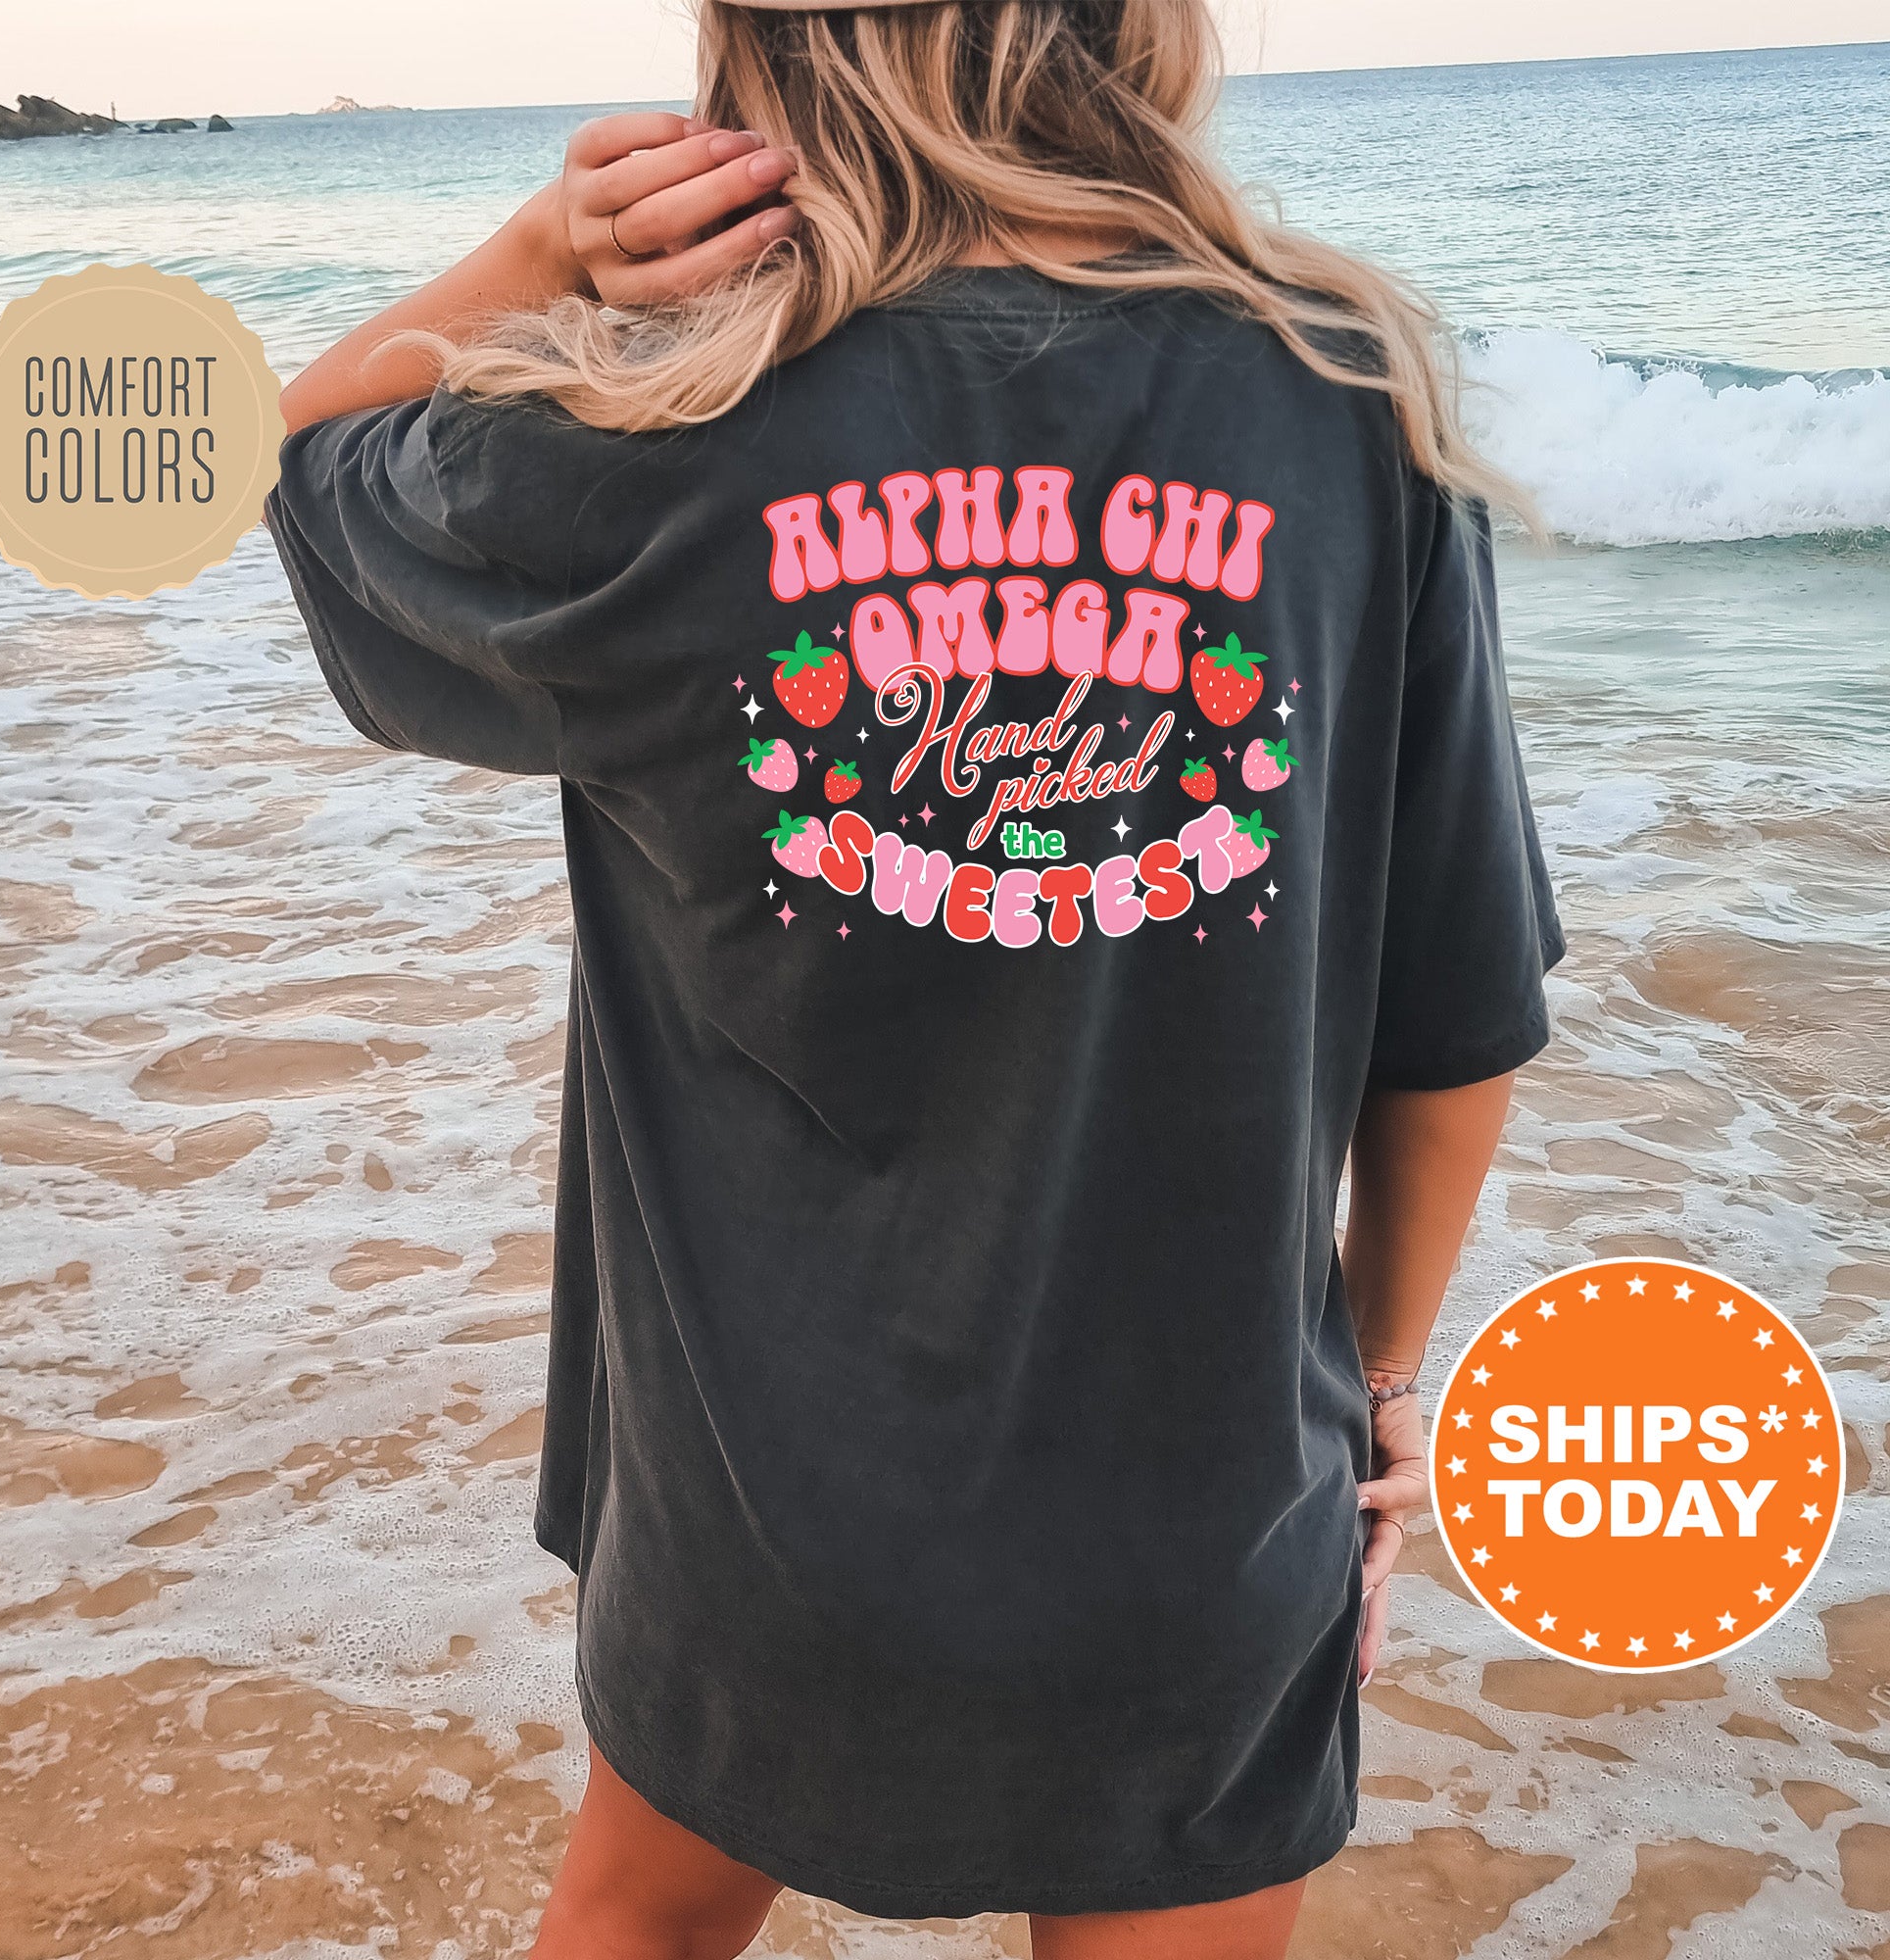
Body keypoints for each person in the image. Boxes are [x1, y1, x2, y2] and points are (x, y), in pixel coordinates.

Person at [265, 2, 1566, 1954]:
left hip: (758, 1515)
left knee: (635, 1922)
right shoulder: (1343, 400)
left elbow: (297, 458)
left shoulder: (643, 431)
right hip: (1199, 1514)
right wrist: (1379, 1384)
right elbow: (1457, 1018)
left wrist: (545, 253)